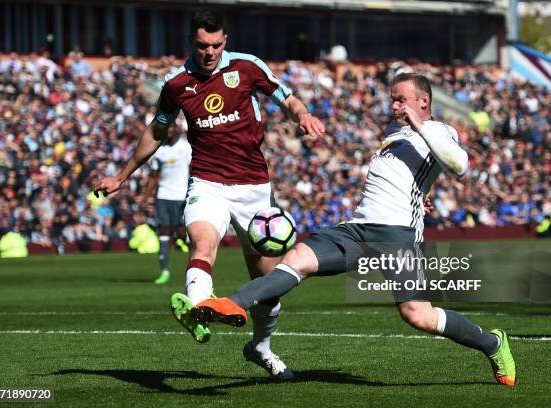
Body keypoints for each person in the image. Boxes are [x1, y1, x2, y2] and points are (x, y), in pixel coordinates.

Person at [188, 73, 517, 387]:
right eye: (393, 100)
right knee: (296, 259)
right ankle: (231, 303)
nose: (394, 107)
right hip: (357, 230)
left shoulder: (439, 130)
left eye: (401, 100)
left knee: (418, 315)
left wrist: (419, 131)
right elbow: (412, 173)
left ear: (423, 101)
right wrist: (423, 190)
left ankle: (492, 343)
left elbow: (458, 165)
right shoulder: (395, 130)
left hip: (396, 237)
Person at [93, 10, 324, 380]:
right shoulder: (176, 84)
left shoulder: (247, 68)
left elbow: (287, 97)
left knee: (268, 284)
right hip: (207, 183)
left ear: (225, 41)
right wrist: (122, 175)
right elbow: (156, 131)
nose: (209, 52)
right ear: (191, 43)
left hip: (254, 190)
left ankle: (261, 347)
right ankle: (199, 307)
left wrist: (302, 115)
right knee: (202, 245)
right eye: (202, 46)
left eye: (216, 45)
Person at [141, 131, 192, 284]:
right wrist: (145, 198)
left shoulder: (186, 147)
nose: (168, 130)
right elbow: (153, 176)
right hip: (163, 195)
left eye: (171, 127)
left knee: (182, 233)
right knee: (163, 231)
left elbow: (195, 168)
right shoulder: (159, 150)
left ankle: (197, 268)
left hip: (181, 196)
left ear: (175, 126)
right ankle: (164, 271)